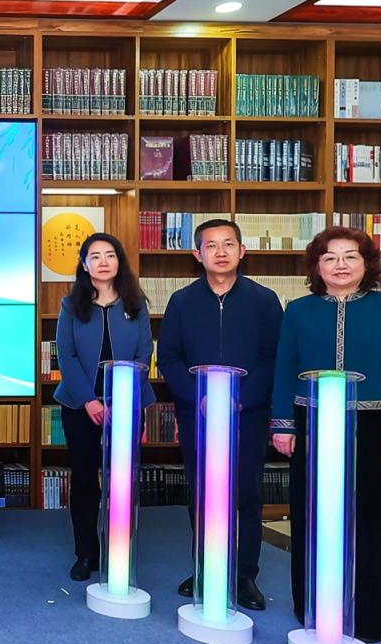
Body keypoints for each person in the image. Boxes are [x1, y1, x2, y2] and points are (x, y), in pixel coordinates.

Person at [272, 226, 381, 642]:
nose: (340, 265)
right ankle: (315, 608)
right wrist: (282, 424)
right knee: (314, 514)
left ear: (367, 263)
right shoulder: (298, 310)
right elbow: (284, 368)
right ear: (317, 266)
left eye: (350, 256)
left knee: (375, 519)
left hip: (375, 425)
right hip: (313, 421)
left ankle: (373, 617)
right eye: (330, 258)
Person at [157, 219, 282, 610]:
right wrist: (200, 397)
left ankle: (244, 575)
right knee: (203, 493)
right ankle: (206, 568)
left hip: (247, 413)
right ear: (198, 254)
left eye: (229, 244)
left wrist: (239, 398)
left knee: (246, 493)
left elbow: (273, 358)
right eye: (211, 245)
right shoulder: (182, 301)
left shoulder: (264, 300)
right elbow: (170, 358)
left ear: (242, 251)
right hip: (198, 413)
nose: (221, 252)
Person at [54, 233, 156, 581]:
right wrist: (89, 400)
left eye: (109, 255)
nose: (103, 262)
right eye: (94, 256)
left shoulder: (136, 303)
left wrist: (124, 400)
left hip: (127, 402)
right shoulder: (71, 306)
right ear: (84, 265)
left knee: (122, 481)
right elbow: (66, 355)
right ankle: (86, 553)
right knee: (84, 478)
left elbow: (144, 353)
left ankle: (118, 552)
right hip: (79, 404)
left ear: (119, 262)